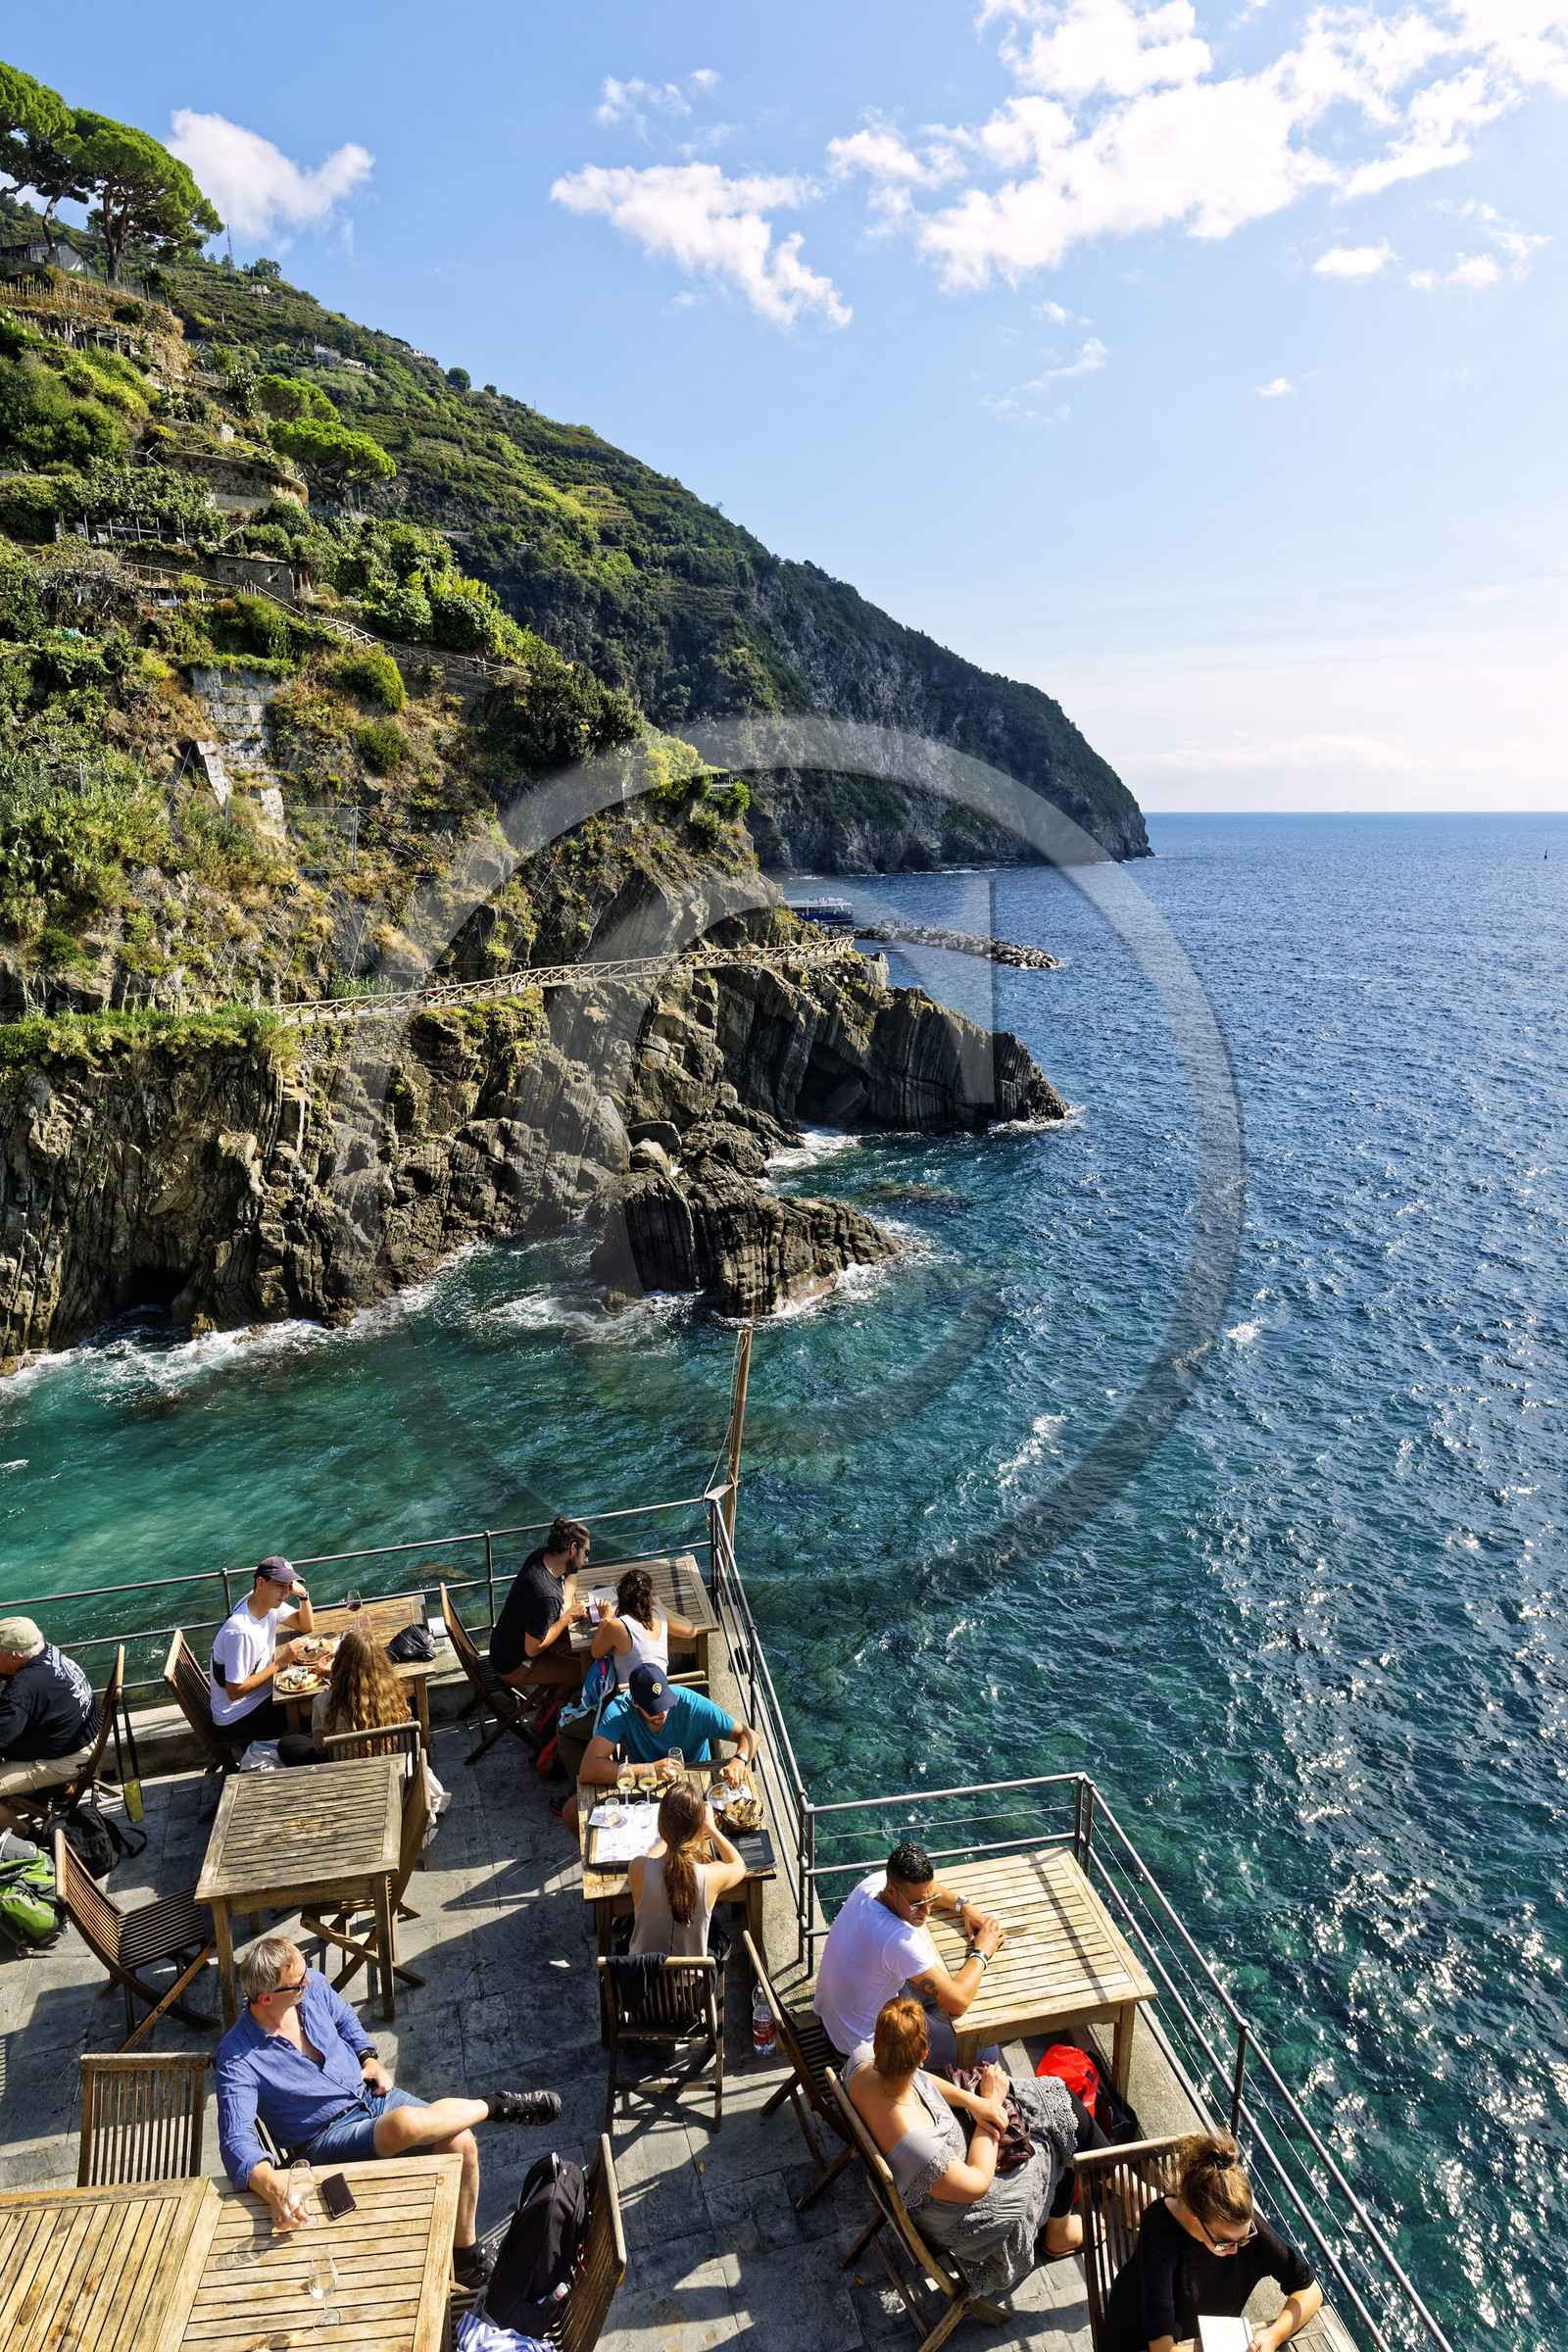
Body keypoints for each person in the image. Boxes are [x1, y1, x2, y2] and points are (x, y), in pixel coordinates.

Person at [217, 1936, 563, 2288]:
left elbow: (345, 2020)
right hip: (325, 2139)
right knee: (404, 2123)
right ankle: (495, 2105)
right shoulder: (236, 2056)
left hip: (370, 2095)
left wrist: (367, 2057)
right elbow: (235, 2139)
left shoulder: (311, 1985)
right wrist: (271, 2182)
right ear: (265, 1998)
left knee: (461, 2144)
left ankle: (466, 2257)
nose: (309, 1982)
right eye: (298, 1983)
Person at [844, 1995, 1108, 2293]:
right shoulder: (920, 2146)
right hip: (967, 2215)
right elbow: (979, 2183)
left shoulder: (862, 2061)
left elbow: (919, 2079)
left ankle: (1123, 2181)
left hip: (941, 2176)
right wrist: (992, 2102)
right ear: (924, 2052)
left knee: (1051, 2095)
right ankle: (1060, 2231)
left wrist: (976, 2101)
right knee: (1058, 2132)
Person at [1102, 2131, 1322, 2352]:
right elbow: (1161, 2345)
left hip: (1202, 2339)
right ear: (1194, 2216)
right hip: (1137, 2340)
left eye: (1244, 2238)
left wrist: (1273, 2335)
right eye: (1224, 2242)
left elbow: (1310, 2290)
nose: (1236, 2250)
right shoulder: (1160, 2230)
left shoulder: (1239, 2226)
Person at [813, 1839, 1005, 2071]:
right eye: (917, 1904)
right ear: (892, 1891)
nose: (926, 1912)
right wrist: (982, 1951)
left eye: (930, 1901)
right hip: (860, 2049)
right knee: (986, 2049)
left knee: (938, 1980)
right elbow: (958, 2003)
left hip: (834, 2022)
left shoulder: (873, 1884)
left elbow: (931, 1890)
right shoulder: (895, 1938)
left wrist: (964, 1907)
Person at [563, 1661, 759, 1836]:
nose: (662, 1712)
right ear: (635, 1702)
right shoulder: (619, 1710)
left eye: (665, 1703)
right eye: (653, 1708)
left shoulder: (693, 1704)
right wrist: (648, 1770)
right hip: (647, 1789)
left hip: (696, 1789)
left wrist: (739, 1759)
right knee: (571, 1811)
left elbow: (751, 1735)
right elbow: (588, 1769)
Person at [0, 1617, 102, 1834]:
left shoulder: (23, 1688)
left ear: (15, 1656)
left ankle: (29, 1837)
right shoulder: (46, 1652)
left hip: (66, 1759)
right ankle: (62, 1792)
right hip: (86, 1734)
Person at [628, 1782, 748, 1957]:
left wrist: (666, 1838)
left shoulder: (637, 1868)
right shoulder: (710, 1876)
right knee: (714, 1925)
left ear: (660, 1826)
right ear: (699, 1829)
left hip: (644, 1977)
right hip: (691, 1982)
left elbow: (652, 1860)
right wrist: (712, 1830)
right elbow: (740, 1866)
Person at [210, 1558, 317, 1746]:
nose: (286, 1593)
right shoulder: (241, 1632)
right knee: (313, 1709)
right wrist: (281, 1662)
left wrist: (303, 1596)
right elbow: (234, 1692)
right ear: (261, 1583)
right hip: (238, 1717)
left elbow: (305, 1625)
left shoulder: (265, 1604)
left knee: (316, 1701)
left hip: (258, 1698)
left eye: (289, 1586)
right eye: (281, 1586)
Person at [489, 1516, 591, 1694]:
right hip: (515, 1663)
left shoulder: (542, 1557)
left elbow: (571, 1575)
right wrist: (567, 1617)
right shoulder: (546, 1596)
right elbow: (533, 1648)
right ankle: (547, 1720)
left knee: (591, 1646)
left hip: (504, 1644)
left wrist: (566, 1606)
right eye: (586, 1553)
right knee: (587, 1674)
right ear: (573, 1549)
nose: (587, 1560)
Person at [590, 1566, 699, 1692]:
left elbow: (596, 1653)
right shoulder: (658, 1615)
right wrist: (662, 1607)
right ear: (648, 1594)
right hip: (660, 1692)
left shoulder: (616, 1625)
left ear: (620, 1594)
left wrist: (604, 1619)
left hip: (631, 1697)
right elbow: (691, 1630)